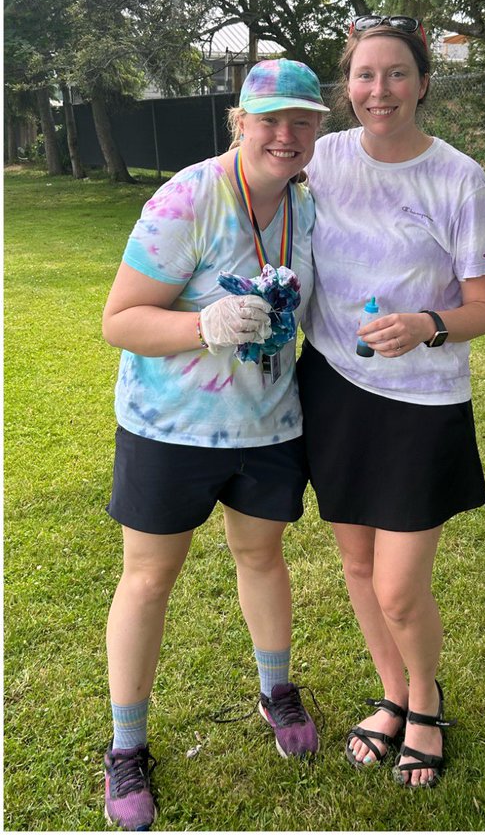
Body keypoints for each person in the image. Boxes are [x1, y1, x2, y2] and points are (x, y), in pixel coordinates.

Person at [99, 60, 329, 830]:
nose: (286, 135)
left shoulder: (305, 205)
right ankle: (126, 746)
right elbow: (120, 319)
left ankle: (275, 691)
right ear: (240, 123)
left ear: (317, 129)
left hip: (268, 425)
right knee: (148, 579)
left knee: (262, 558)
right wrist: (203, 324)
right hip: (170, 428)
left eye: (302, 121)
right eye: (270, 120)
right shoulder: (190, 196)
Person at [297, 15, 485, 788]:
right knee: (357, 564)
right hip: (332, 387)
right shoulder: (320, 159)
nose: (378, 89)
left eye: (395, 74)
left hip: (422, 402)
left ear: (423, 84)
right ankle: (392, 693)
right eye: (364, 74)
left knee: (398, 587)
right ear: (346, 85)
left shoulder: (458, 178)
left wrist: (426, 325)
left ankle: (425, 700)